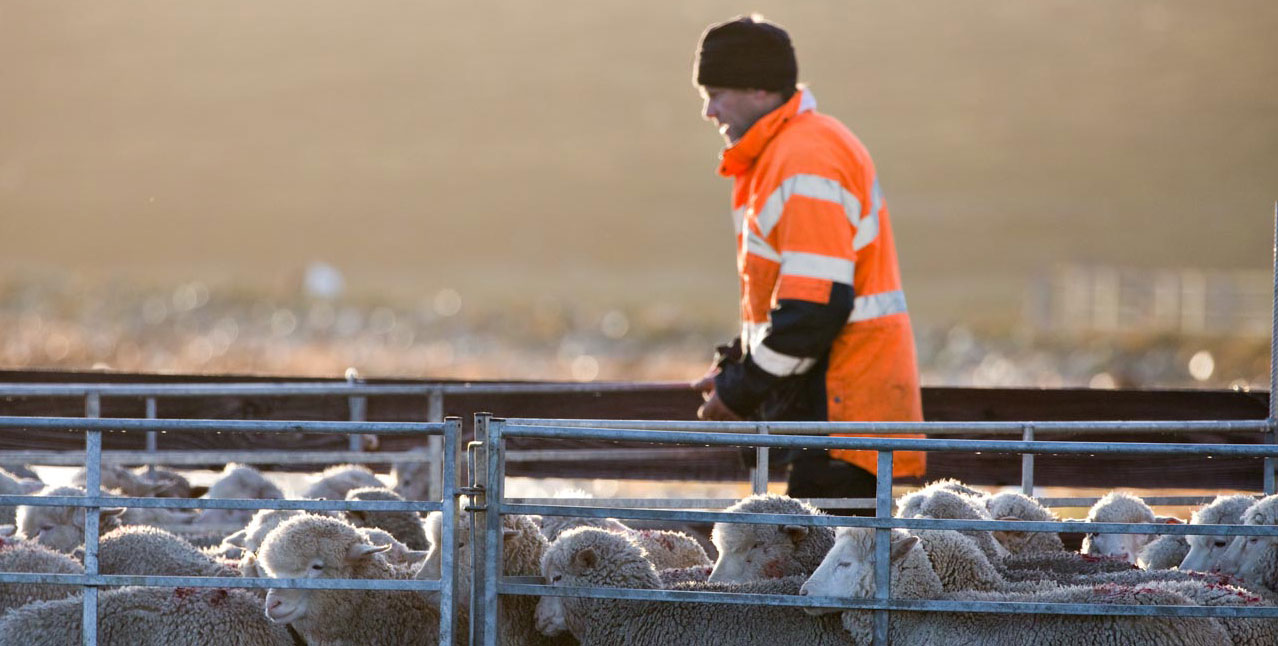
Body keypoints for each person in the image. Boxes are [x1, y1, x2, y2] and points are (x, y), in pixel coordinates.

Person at [689, 15, 926, 512]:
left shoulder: (803, 157)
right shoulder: (790, 151)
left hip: (841, 413)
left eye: (716, 93)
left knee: (833, 575)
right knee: (836, 570)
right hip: (835, 410)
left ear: (758, 89)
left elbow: (815, 307)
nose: (709, 111)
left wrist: (738, 389)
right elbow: (803, 297)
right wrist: (741, 361)